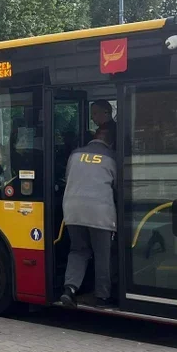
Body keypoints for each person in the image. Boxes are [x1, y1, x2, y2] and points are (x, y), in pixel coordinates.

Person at [59, 127, 117, 308]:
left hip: (72, 211)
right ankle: (102, 296)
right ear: (112, 141)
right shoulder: (113, 156)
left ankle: (69, 290)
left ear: (94, 137)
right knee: (102, 254)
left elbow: (68, 178)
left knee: (78, 250)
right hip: (100, 213)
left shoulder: (75, 154)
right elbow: (118, 185)